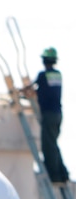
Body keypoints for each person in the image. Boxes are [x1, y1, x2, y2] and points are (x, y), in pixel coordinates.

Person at [34, 47, 69, 183]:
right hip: (58, 114)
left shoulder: (43, 75)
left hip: (48, 114)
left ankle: (54, 175)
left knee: (48, 146)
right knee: (53, 144)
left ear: (44, 60)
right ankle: (63, 173)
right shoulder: (58, 74)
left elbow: (32, 89)